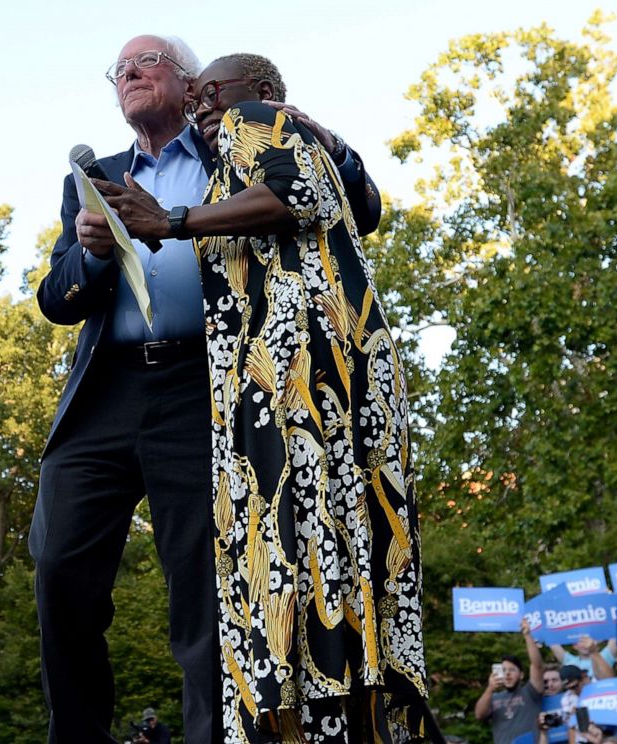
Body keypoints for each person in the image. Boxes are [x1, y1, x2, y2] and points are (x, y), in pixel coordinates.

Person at [32, 36, 381, 744]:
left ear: (190, 85)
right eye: (118, 69)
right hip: (107, 392)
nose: (128, 73)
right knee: (58, 565)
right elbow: (57, 298)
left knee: (205, 585)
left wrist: (329, 140)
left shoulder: (235, 141)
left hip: (207, 387)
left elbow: (354, 206)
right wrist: (93, 255)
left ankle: (212, 735)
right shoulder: (93, 177)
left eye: (147, 60)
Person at [96, 52, 433, 742]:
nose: (204, 105)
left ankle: (329, 712)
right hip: (280, 388)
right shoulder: (239, 163)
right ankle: (334, 713)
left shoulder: (259, 123)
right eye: (199, 99)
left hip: (312, 379)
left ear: (266, 91)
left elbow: (300, 196)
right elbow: (347, 202)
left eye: (213, 91)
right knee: (308, 552)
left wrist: (175, 220)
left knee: (309, 546)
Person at [474, 620, 545, 744]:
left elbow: (537, 665)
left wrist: (528, 635)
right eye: (504, 670)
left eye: (512, 670)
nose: (507, 673)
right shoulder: (494, 697)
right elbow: (479, 714)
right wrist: (489, 689)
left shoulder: (530, 692)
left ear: (521, 675)